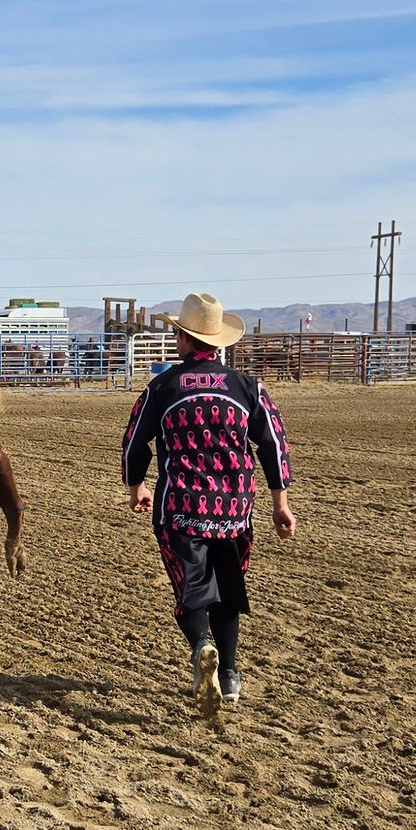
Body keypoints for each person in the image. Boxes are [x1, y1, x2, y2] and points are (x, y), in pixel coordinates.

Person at [121, 290, 296, 721]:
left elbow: (133, 441)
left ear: (183, 339)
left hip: (181, 505)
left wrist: (136, 485)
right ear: (218, 343)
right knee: (228, 588)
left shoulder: (162, 387)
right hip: (234, 507)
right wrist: (281, 503)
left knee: (191, 587)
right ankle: (231, 676)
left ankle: (202, 645)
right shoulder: (247, 387)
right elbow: (274, 443)